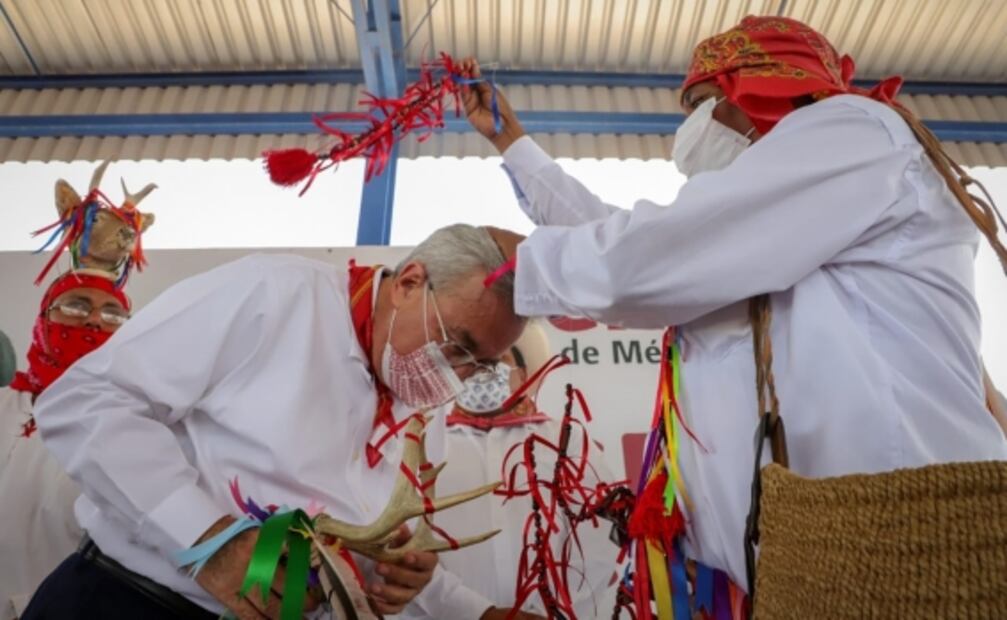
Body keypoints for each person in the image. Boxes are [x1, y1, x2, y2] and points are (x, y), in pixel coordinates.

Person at [459, 14, 1007, 600]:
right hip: (803, 563)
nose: (693, 127)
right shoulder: (766, 222)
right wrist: (512, 147)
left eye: (703, 103)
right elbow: (648, 246)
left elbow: (649, 258)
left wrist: (509, 271)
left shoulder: (852, 130)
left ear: (759, 90)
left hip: (901, 544)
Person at [25, 224, 526, 619]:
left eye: (480, 364)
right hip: (132, 603)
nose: (457, 375)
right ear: (410, 282)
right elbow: (88, 398)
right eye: (456, 344)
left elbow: (369, 540)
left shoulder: (420, 401)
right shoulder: (276, 293)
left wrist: (434, 590)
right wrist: (206, 540)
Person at [0, 163, 154, 619]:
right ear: (44, 320)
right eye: (76, 305)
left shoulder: (144, 424)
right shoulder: (6, 405)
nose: (92, 321)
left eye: (112, 316)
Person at [400, 322, 618, 620]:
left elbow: (599, 538)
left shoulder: (568, 440)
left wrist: (552, 613)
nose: (481, 370)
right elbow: (407, 545)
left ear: (524, 375)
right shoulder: (421, 444)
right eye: (468, 360)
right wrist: (475, 613)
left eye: (496, 360)